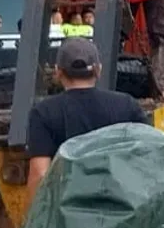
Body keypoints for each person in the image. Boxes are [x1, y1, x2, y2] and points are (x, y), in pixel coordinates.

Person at [25, 38, 149, 196]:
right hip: (121, 208)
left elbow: (40, 175)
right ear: (98, 70)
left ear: (58, 72)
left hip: (69, 213)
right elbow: (147, 159)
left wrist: (34, 218)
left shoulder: (43, 112)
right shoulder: (127, 105)